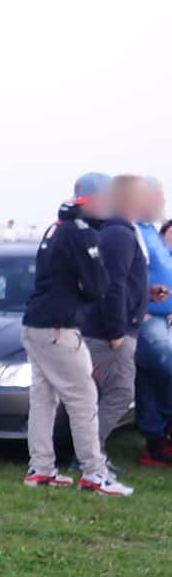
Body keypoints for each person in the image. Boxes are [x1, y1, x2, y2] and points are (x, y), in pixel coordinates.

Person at [20, 173, 127, 495]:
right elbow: (98, 286)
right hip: (59, 328)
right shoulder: (82, 233)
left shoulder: (56, 227)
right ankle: (94, 473)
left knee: (43, 399)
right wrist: (87, 288)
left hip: (37, 324)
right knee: (83, 398)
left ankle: (40, 468)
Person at [78, 174, 150, 463]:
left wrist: (146, 292)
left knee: (109, 394)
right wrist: (117, 331)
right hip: (111, 335)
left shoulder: (124, 231)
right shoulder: (119, 234)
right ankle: (89, 455)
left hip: (116, 329)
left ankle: (91, 454)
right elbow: (112, 285)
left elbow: (124, 280)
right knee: (121, 393)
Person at [133, 178, 172, 466]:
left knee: (151, 382)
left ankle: (156, 443)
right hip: (147, 321)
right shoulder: (133, 231)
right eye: (158, 198)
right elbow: (124, 275)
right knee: (160, 373)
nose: (162, 203)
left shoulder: (150, 234)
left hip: (162, 320)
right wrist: (138, 306)